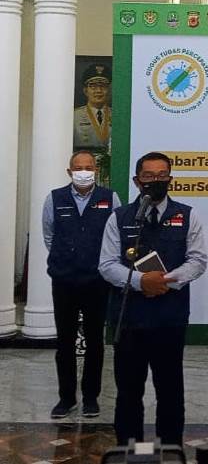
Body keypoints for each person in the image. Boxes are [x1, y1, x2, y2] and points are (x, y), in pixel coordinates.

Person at [99, 152, 207, 446]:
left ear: (170, 179)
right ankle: (129, 447)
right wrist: (139, 281)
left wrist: (165, 282)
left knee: (170, 389)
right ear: (137, 181)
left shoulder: (187, 214)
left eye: (162, 176)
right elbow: (107, 265)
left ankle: (170, 446)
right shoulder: (119, 217)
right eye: (149, 176)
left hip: (169, 317)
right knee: (129, 391)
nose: (156, 181)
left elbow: (197, 261)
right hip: (129, 319)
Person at [43, 150, 120, 419]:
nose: (84, 171)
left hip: (97, 281)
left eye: (89, 167)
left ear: (96, 171)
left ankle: (90, 397)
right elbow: (49, 235)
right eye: (78, 167)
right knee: (64, 341)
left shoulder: (110, 198)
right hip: (64, 280)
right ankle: (66, 398)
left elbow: (115, 238)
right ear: (69, 171)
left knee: (95, 341)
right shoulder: (55, 198)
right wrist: (65, 261)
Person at [74, 64, 112, 149]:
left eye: (103, 86)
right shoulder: (74, 117)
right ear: (85, 91)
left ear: (108, 90)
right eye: (93, 87)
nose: (98, 91)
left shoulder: (117, 116)